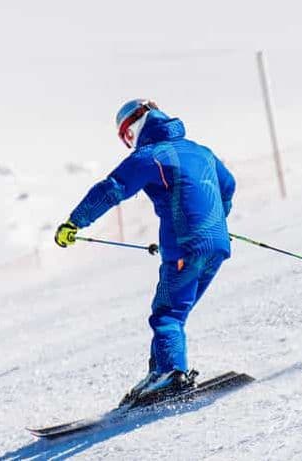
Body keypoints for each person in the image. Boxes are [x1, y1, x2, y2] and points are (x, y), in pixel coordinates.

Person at [54, 99, 236, 406]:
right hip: (216, 245)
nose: (128, 143)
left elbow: (112, 188)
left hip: (185, 247)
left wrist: (74, 221)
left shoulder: (150, 155)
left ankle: (169, 373)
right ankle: (159, 373)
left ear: (136, 126)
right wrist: (213, 223)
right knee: (174, 312)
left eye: (126, 135)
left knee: (168, 314)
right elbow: (227, 187)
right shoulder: (201, 151)